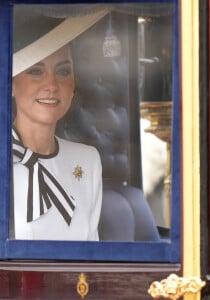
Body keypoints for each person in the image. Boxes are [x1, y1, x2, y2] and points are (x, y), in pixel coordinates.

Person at [11, 6, 108, 240]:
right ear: (11, 84)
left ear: (74, 85)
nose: (52, 85)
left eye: (63, 72)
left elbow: (91, 254)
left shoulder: (88, 160)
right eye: (36, 71)